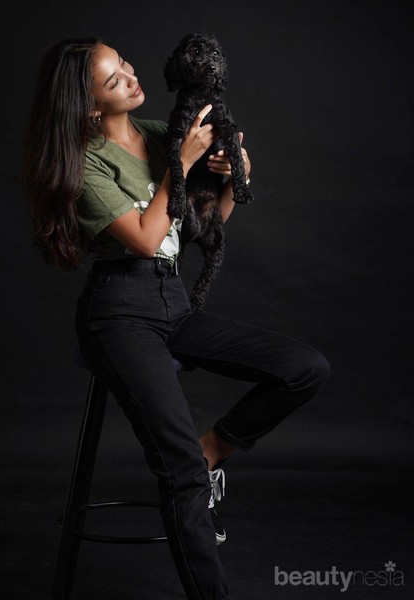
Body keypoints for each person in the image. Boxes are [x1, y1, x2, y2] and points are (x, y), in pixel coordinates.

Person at [22, 37, 330, 600]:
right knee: (179, 471)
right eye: (114, 80)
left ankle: (210, 451)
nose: (131, 78)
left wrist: (233, 174)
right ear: (88, 105)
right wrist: (181, 165)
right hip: (118, 312)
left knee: (304, 368)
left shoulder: (162, 133)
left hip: (173, 303)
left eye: (125, 64)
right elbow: (144, 240)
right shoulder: (85, 160)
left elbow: (203, 225)